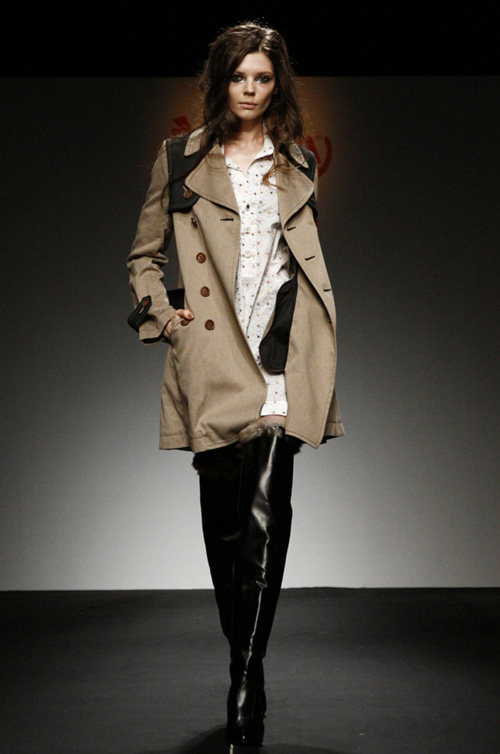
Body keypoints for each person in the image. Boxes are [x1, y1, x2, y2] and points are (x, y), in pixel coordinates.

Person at [127, 21, 344, 748]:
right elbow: (143, 256)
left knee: (265, 522)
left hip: (282, 354)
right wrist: (166, 319)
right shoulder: (181, 159)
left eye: (263, 79)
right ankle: (242, 654)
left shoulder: (297, 162)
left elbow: (296, 260)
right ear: (219, 82)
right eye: (239, 77)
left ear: (277, 86)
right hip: (214, 357)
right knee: (225, 527)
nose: (250, 90)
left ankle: (247, 675)